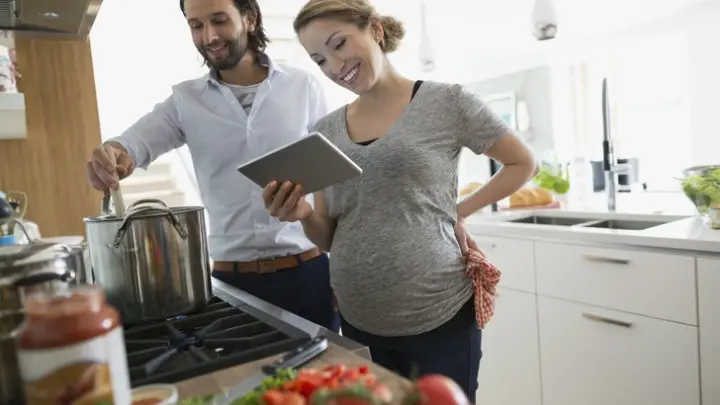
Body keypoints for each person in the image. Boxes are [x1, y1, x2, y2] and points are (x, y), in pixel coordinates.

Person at [262, 0, 539, 399]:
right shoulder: (323, 131)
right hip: (358, 320)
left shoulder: (447, 102)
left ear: (374, 29)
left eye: (339, 44)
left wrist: (458, 211)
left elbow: (523, 162)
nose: (336, 67)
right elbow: (327, 238)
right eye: (320, 59)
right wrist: (303, 212)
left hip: (437, 314)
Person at [85, 0, 339, 332]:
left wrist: (340, 273)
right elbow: (133, 145)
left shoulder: (303, 87)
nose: (209, 36)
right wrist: (112, 155)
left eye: (219, 21)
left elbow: (331, 187)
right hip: (232, 286)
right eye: (196, 25)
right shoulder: (185, 101)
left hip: (308, 276)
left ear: (249, 19)